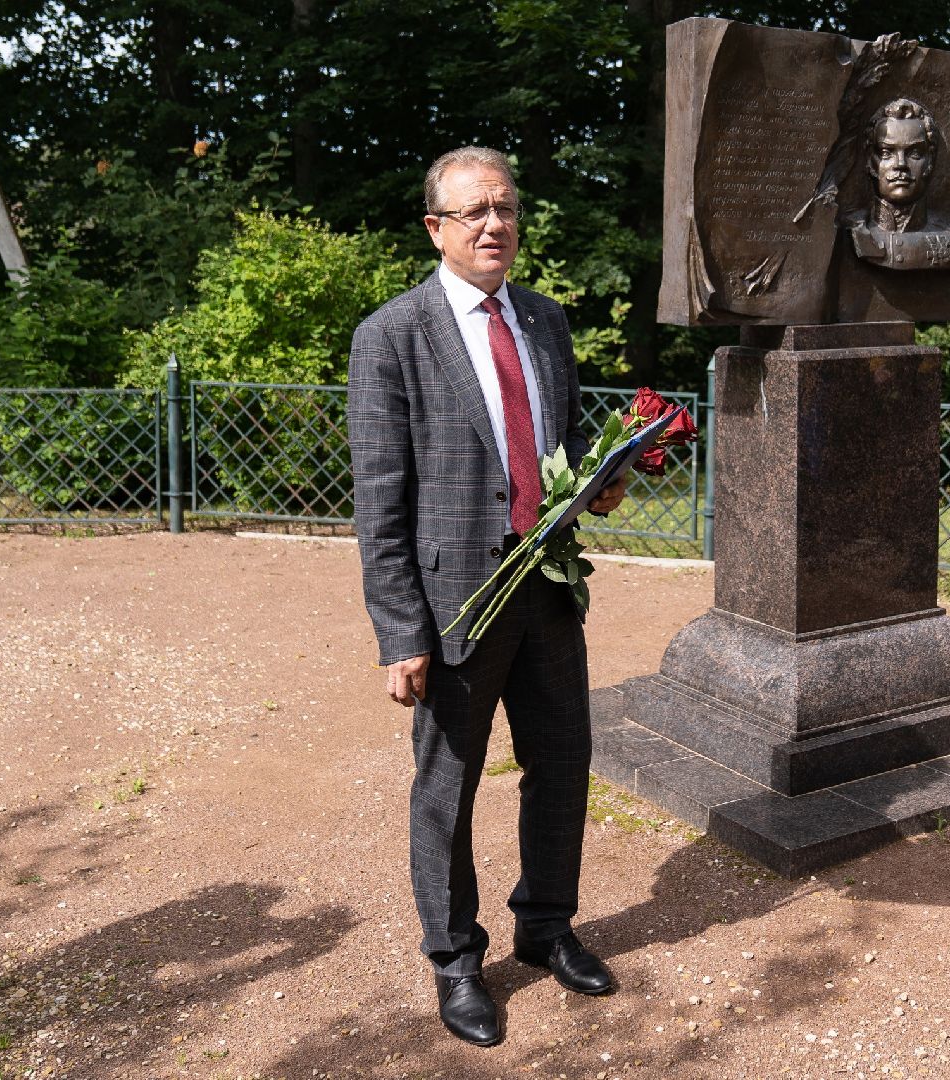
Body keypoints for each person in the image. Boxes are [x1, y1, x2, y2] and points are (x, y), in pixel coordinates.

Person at [347, 146, 626, 1047]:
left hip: (546, 590)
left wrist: (601, 481)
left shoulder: (544, 322)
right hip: (454, 604)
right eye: (472, 212)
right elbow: (380, 501)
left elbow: (563, 445)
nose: (493, 225)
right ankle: (456, 961)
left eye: (504, 208)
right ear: (436, 227)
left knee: (563, 763)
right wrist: (400, 632)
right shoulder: (392, 334)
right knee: (449, 788)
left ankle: (546, 928)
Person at [848, 97, 950, 269]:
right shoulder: (851, 231)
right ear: (871, 161)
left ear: (930, 162)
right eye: (887, 152)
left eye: (914, 153)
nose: (901, 164)